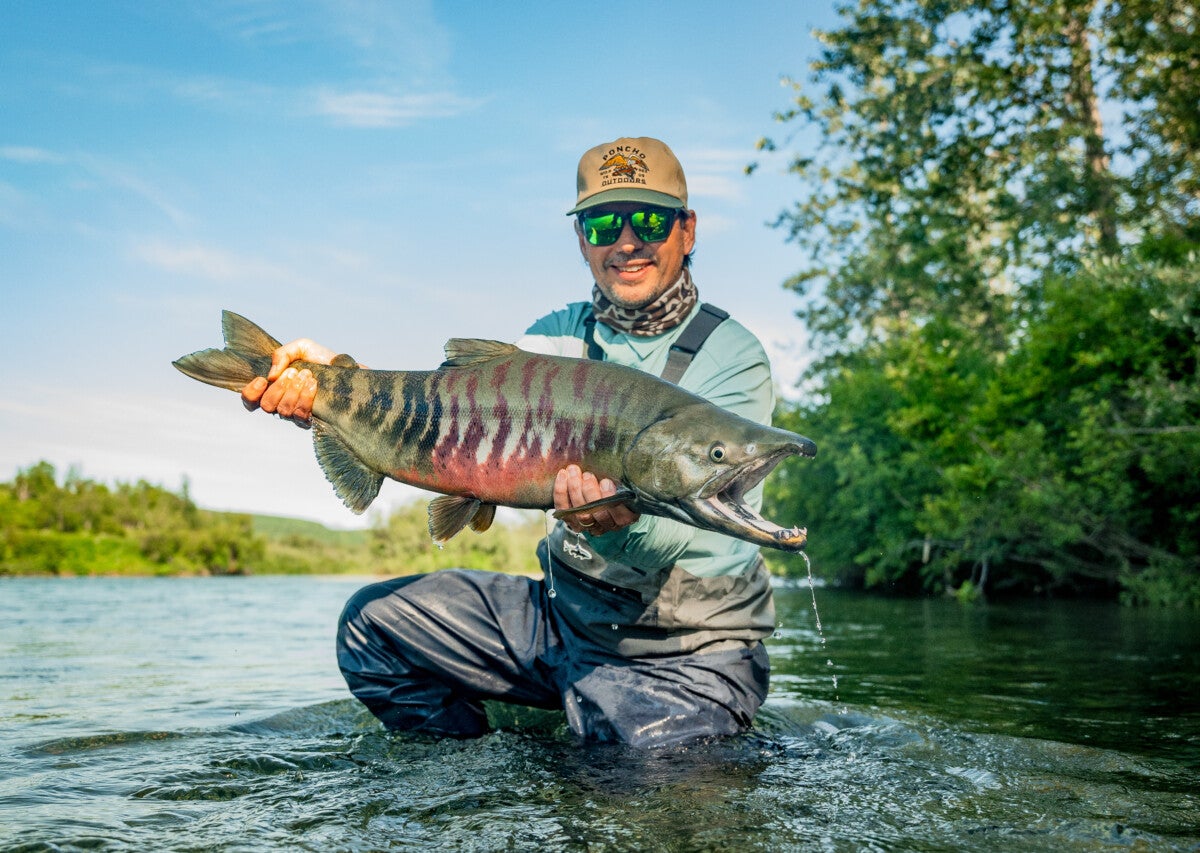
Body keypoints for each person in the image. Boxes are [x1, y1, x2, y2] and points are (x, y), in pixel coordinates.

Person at [242, 136, 780, 748]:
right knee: (373, 627)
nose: (626, 241)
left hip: (684, 647)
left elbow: (689, 533)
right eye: (604, 223)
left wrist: (613, 522)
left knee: (632, 792)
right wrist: (333, 382)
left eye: (650, 220)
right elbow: (454, 416)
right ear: (582, 240)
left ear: (687, 230)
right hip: (562, 621)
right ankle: (464, 785)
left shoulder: (733, 357)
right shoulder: (553, 335)